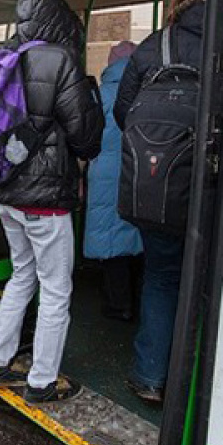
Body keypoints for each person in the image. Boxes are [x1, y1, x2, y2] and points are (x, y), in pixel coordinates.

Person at [0, 0, 104, 403]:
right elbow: (86, 139)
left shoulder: (0, 56)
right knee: (55, 288)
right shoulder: (60, 60)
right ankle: (41, 381)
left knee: (21, 274)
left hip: (4, 194)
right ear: (57, 21)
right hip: (45, 201)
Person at [114, 0, 207, 404]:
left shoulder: (152, 48)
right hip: (211, 192)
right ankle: (199, 389)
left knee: (162, 278)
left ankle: (150, 376)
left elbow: (123, 113)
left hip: (156, 190)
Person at [83, 41, 143, 322]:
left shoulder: (101, 94)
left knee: (110, 240)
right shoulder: (144, 91)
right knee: (135, 236)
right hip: (140, 172)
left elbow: (86, 137)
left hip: (105, 172)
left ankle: (117, 305)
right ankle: (137, 300)